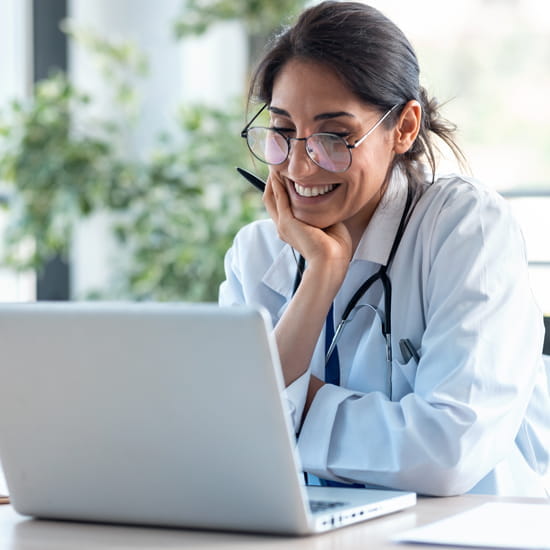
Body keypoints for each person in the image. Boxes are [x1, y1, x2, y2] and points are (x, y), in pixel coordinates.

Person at [219, 1, 550, 497]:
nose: (301, 167)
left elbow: (447, 454)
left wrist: (291, 410)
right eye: (283, 132)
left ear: (404, 128)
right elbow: (230, 443)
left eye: (335, 137)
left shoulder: (464, 228)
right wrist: (321, 275)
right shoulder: (258, 252)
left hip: (472, 529)